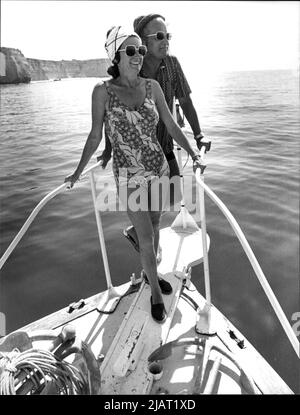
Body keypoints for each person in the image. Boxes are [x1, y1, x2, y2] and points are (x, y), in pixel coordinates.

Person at [65, 26, 204, 323]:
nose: (138, 55)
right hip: (129, 177)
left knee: (154, 228)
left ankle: (148, 274)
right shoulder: (102, 92)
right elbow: (95, 135)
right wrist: (78, 171)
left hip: (158, 168)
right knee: (144, 235)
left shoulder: (152, 86)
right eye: (131, 50)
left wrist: (192, 153)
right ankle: (154, 291)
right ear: (115, 55)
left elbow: (170, 124)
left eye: (141, 50)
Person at [97, 14, 210, 255]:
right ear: (142, 43)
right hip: (137, 156)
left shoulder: (172, 63)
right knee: (150, 209)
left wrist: (198, 135)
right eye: (159, 36)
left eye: (167, 35)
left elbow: (185, 100)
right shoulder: (132, 68)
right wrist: (108, 149)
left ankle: (140, 232)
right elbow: (112, 114)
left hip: (165, 146)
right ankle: (146, 243)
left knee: (172, 193)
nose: (165, 40)